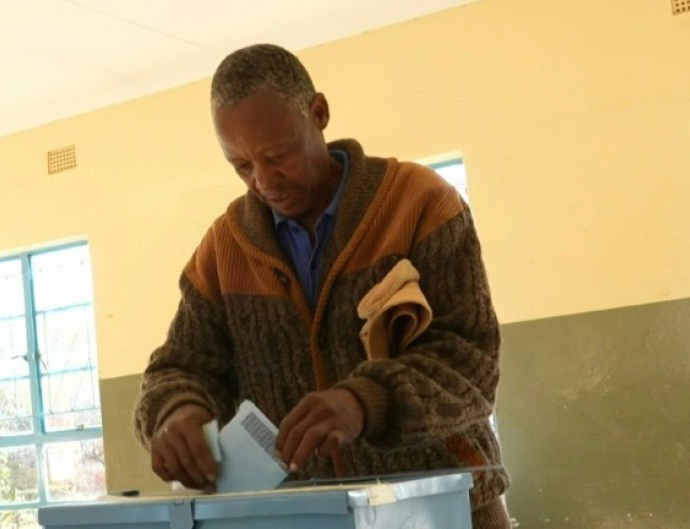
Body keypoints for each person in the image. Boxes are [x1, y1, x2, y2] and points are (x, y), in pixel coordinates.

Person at [133, 43, 511, 528]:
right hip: (302, 517)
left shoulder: (420, 204)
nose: (263, 181)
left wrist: (364, 402)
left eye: (278, 155)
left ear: (319, 112)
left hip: (447, 509)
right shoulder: (223, 251)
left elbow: (471, 365)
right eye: (242, 166)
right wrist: (175, 413)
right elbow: (179, 368)